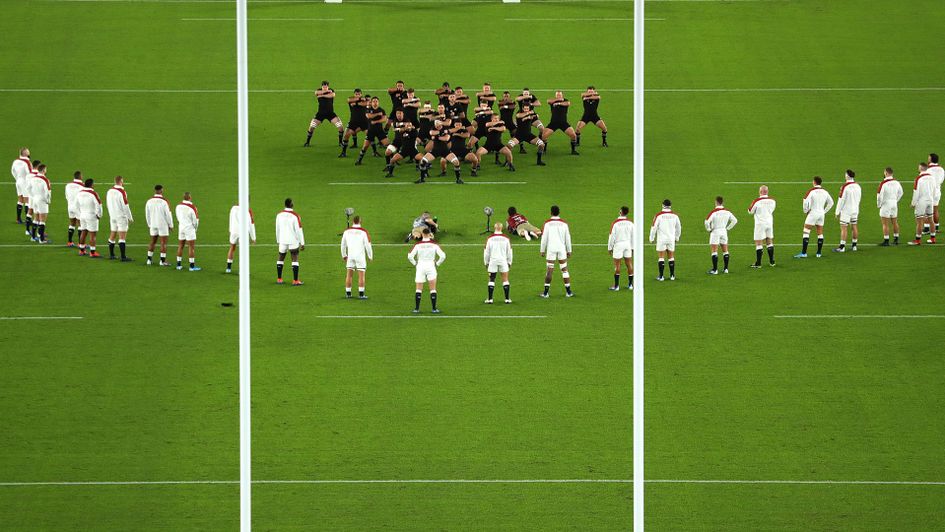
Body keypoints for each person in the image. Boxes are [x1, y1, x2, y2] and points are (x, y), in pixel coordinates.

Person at [408, 227, 446, 313]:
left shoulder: (417, 245)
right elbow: (443, 256)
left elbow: (410, 256)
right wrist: (437, 263)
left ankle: (416, 309)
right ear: (429, 234)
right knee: (433, 288)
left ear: (422, 234)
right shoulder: (434, 244)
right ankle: (434, 309)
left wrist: (415, 263)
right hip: (431, 266)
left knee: (418, 289)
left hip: (420, 266)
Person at [794, 176, 834, 258]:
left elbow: (805, 201)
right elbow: (831, 203)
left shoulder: (811, 191)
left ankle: (804, 253)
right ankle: (818, 253)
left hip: (813, 213)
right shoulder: (825, 192)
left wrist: (805, 211)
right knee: (820, 233)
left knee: (806, 231)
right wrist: (824, 211)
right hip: (821, 214)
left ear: (814, 182)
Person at [540, 205, 573, 297]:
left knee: (549, 270)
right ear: (559, 212)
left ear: (551, 213)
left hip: (551, 249)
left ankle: (545, 293)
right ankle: (568, 292)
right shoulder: (564, 224)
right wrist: (569, 250)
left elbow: (544, 238)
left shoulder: (547, 223)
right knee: (564, 270)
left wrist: (542, 250)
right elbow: (568, 237)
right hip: (561, 249)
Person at [341, 215, 373, 299]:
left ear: (353, 221)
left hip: (350, 256)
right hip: (360, 257)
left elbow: (343, 244)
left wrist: (344, 255)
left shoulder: (346, 231)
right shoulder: (364, 232)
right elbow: (368, 245)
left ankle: (348, 294)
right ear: (360, 221)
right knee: (361, 275)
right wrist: (370, 256)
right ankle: (361, 295)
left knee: (349, 275)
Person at [303, 81, 344, 147]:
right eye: (323, 87)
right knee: (311, 127)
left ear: (328, 86)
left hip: (330, 113)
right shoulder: (319, 90)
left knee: (340, 127)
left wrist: (322, 95)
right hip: (320, 114)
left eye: (326, 87)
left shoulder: (331, 90)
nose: (325, 88)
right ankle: (307, 142)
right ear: (321, 86)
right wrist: (327, 92)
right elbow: (316, 93)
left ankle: (340, 143)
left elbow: (332, 95)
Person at [649, 199, 681, 281]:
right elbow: (679, 227)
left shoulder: (658, 215)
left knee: (661, 257)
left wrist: (651, 238)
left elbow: (653, 227)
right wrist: (677, 237)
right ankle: (672, 276)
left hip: (661, 239)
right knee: (671, 256)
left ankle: (661, 276)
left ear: (663, 205)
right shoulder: (675, 215)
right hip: (671, 239)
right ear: (670, 206)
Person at [275, 198, 305, 285]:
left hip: (282, 240)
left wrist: (278, 240)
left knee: (281, 257)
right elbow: (299, 230)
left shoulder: (279, 215)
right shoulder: (295, 216)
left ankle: (279, 279)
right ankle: (295, 280)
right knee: (294, 258)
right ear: (291, 204)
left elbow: (277, 228)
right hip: (293, 240)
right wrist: (302, 243)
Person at [704, 197, 737, 274]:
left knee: (714, 251)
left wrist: (709, 229)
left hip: (715, 232)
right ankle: (726, 269)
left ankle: (715, 270)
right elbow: (735, 220)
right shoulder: (727, 211)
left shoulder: (714, 212)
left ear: (716, 202)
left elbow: (706, 222)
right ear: (722, 202)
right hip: (724, 231)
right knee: (725, 250)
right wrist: (728, 228)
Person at [105, 175, 134, 261]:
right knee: (122, 237)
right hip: (121, 217)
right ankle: (123, 257)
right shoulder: (122, 192)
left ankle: (112, 255)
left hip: (112, 216)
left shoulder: (109, 191)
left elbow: (107, 203)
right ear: (121, 181)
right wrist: (130, 217)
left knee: (113, 234)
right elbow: (125, 206)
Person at [483, 223, 513, 304]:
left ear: (494, 228)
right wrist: (509, 262)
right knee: (505, 279)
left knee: (491, 279)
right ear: (501, 228)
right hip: (503, 261)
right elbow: (509, 252)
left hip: (493, 261)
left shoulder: (490, 238)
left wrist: (486, 262)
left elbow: (486, 252)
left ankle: (490, 299)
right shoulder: (506, 238)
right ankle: (507, 299)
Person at [833, 169, 862, 252]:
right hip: (855, 209)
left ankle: (842, 247)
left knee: (844, 228)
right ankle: (854, 246)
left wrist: (837, 212)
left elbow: (841, 200)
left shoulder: (844, 187)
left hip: (846, 210)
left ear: (847, 176)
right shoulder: (858, 186)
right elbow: (859, 198)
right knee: (854, 226)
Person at [748, 185, 777, 268]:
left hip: (760, 224)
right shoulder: (772, 200)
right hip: (769, 223)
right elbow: (772, 210)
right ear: (767, 191)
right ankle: (772, 262)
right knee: (769, 241)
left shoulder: (757, 201)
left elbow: (750, 211)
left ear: (760, 192)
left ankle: (758, 263)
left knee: (758, 242)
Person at [145, 185, 174, 266]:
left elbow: (147, 214)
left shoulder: (149, 201)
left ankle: (149, 260)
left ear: (155, 190)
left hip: (153, 224)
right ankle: (162, 261)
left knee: (152, 242)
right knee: (163, 243)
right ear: (162, 190)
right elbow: (168, 214)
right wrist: (171, 225)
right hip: (162, 225)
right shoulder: (164, 201)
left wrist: (149, 224)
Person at [355, 96, 389, 165]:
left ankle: (393, 160)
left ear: (378, 102)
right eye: (373, 101)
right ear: (371, 102)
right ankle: (359, 160)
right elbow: (369, 116)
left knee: (388, 145)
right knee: (365, 146)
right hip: (371, 131)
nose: (375, 103)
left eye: (376, 101)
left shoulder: (382, 110)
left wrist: (376, 121)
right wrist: (378, 114)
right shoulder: (368, 109)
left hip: (380, 131)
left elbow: (384, 119)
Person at [909, 163, 936, 245]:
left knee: (919, 221)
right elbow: (934, 189)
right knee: (931, 220)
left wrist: (913, 203)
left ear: (921, 168)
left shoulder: (918, 179)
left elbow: (916, 192)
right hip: (930, 200)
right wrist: (932, 198)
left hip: (921, 201)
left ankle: (917, 240)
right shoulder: (932, 177)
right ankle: (933, 238)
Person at [608, 206, 634, 290]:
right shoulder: (631, 223)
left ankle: (616, 286)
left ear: (620, 212)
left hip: (618, 245)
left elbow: (612, 236)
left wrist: (610, 247)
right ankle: (630, 285)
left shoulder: (615, 223)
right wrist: (632, 247)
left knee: (617, 265)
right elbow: (633, 236)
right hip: (628, 244)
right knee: (629, 264)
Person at [76, 178, 103, 258]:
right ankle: (92, 252)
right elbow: (99, 205)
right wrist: (99, 215)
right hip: (91, 216)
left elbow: (76, 205)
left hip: (82, 215)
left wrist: (79, 214)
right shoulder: (93, 193)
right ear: (91, 185)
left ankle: (81, 250)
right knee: (92, 234)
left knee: (83, 232)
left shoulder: (79, 193)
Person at [876, 167, 903, 246]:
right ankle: (896, 239)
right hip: (894, 203)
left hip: (886, 204)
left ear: (886, 173)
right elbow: (901, 193)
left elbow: (879, 196)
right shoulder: (897, 182)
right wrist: (896, 200)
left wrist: (879, 204)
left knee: (885, 223)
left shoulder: (883, 183)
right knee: (894, 222)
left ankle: (886, 240)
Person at [226, 201, 256, 273]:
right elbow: (251, 224)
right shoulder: (248, 210)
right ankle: (242, 270)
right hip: (243, 233)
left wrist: (230, 230)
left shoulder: (233, 208)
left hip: (234, 231)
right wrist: (253, 237)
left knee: (232, 248)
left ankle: (228, 268)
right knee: (243, 252)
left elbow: (230, 219)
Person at [339, 89, 369, 157]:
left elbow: (367, 103)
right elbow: (348, 100)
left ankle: (375, 151)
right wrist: (360, 99)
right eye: (356, 94)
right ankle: (343, 152)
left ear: (361, 94)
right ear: (354, 94)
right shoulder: (351, 99)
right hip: (353, 121)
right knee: (346, 135)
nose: (357, 95)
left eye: (359, 94)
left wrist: (356, 103)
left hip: (364, 121)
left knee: (370, 135)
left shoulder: (364, 100)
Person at [174, 192, 201, 271]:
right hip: (189, 228)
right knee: (191, 247)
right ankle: (192, 267)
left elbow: (177, 217)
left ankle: (178, 265)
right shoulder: (192, 207)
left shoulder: (178, 206)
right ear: (190, 198)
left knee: (180, 246)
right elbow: (195, 221)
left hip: (181, 228)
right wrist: (195, 229)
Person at [28, 164, 52, 243]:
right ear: (43, 170)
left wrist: (33, 196)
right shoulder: (45, 180)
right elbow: (48, 192)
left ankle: (33, 237)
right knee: (42, 220)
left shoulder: (33, 178)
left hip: (34, 199)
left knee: (36, 218)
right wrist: (48, 201)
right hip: (42, 200)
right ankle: (42, 239)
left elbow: (28, 188)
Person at [11, 147, 31, 224]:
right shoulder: (27, 162)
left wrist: (17, 178)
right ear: (25, 153)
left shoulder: (15, 161)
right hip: (25, 182)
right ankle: (28, 220)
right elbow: (29, 173)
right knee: (27, 200)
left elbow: (12, 171)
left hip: (18, 181)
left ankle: (18, 219)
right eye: (28, 152)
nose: (29, 152)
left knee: (20, 199)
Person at [64, 171, 84, 247]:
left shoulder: (68, 185)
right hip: (78, 208)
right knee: (80, 225)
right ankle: (80, 243)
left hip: (70, 206)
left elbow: (66, 196)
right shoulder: (82, 186)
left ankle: (69, 242)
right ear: (80, 176)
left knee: (72, 224)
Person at [929, 153, 944, 233]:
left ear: (931, 159)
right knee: (935, 209)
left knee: (927, 210)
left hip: (930, 191)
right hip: (938, 191)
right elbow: (942, 180)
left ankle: (927, 228)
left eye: (929, 158)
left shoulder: (928, 169)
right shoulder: (941, 169)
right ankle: (937, 227)